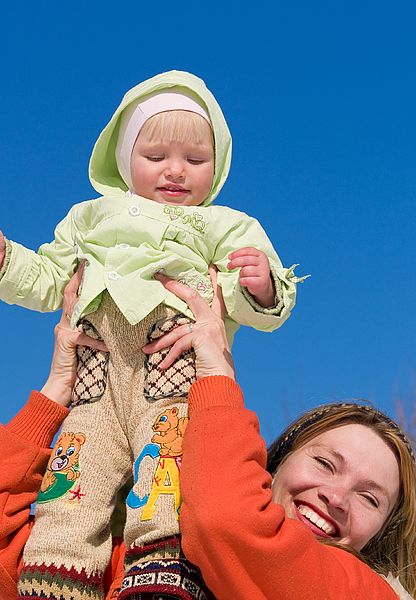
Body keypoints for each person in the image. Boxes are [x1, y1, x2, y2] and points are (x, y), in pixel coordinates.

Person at [0, 69, 305, 600]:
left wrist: (262, 287)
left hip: (170, 364)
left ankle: (159, 571)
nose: (175, 171)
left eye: (195, 160)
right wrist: (7, 261)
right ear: (125, 159)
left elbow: (241, 295)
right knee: (76, 472)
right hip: (94, 372)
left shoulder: (222, 224)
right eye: (156, 155)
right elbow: (50, 280)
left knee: (164, 467)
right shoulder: (89, 217)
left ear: (217, 166)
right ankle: (56, 573)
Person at [0, 269, 416, 600]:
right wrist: (56, 392)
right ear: (272, 464)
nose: (337, 498)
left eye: (370, 498)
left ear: (385, 531)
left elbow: (225, 520)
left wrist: (215, 375)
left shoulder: (362, 593)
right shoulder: (147, 569)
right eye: (325, 464)